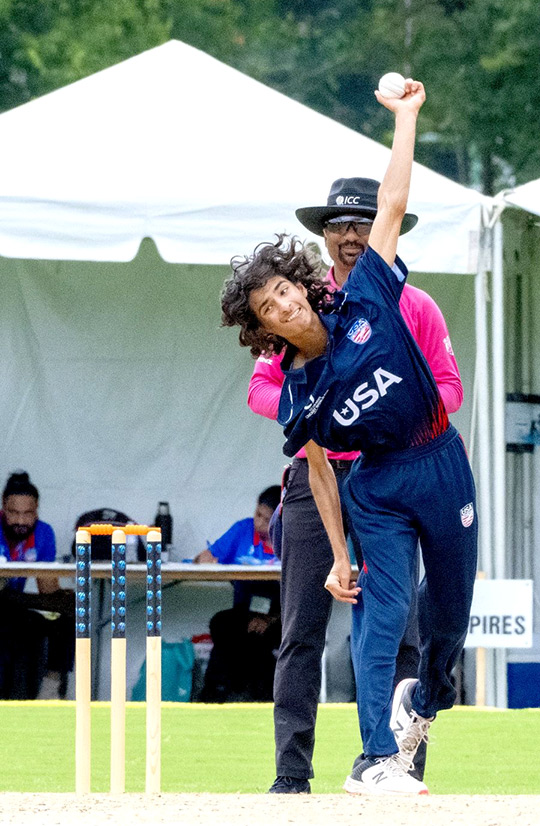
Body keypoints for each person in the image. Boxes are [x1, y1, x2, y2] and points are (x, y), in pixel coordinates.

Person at [221, 79, 477, 795]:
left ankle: (412, 729)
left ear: (303, 289)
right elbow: (304, 441)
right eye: (339, 221)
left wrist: (406, 117)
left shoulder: (382, 293)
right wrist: (339, 545)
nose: (352, 229)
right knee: (346, 617)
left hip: (432, 458)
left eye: (286, 294)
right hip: (356, 483)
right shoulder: (297, 383)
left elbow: (446, 385)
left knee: (440, 629)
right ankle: (351, 765)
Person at [195, 486, 282, 702]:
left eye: (266, 518)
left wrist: (270, 619)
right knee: (222, 624)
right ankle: (234, 694)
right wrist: (204, 559)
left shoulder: (292, 538)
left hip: (283, 615)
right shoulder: (243, 530)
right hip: (246, 611)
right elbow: (206, 557)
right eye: (257, 514)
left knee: (251, 638)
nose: (258, 522)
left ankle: (222, 694)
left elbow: (308, 590)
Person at [0, 471, 75, 699]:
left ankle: (50, 689)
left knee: (69, 614)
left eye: (28, 513)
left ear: (37, 510)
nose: (21, 521)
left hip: (16, 604)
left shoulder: (43, 532)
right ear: (3, 508)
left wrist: (62, 598)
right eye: (14, 513)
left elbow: (47, 591)